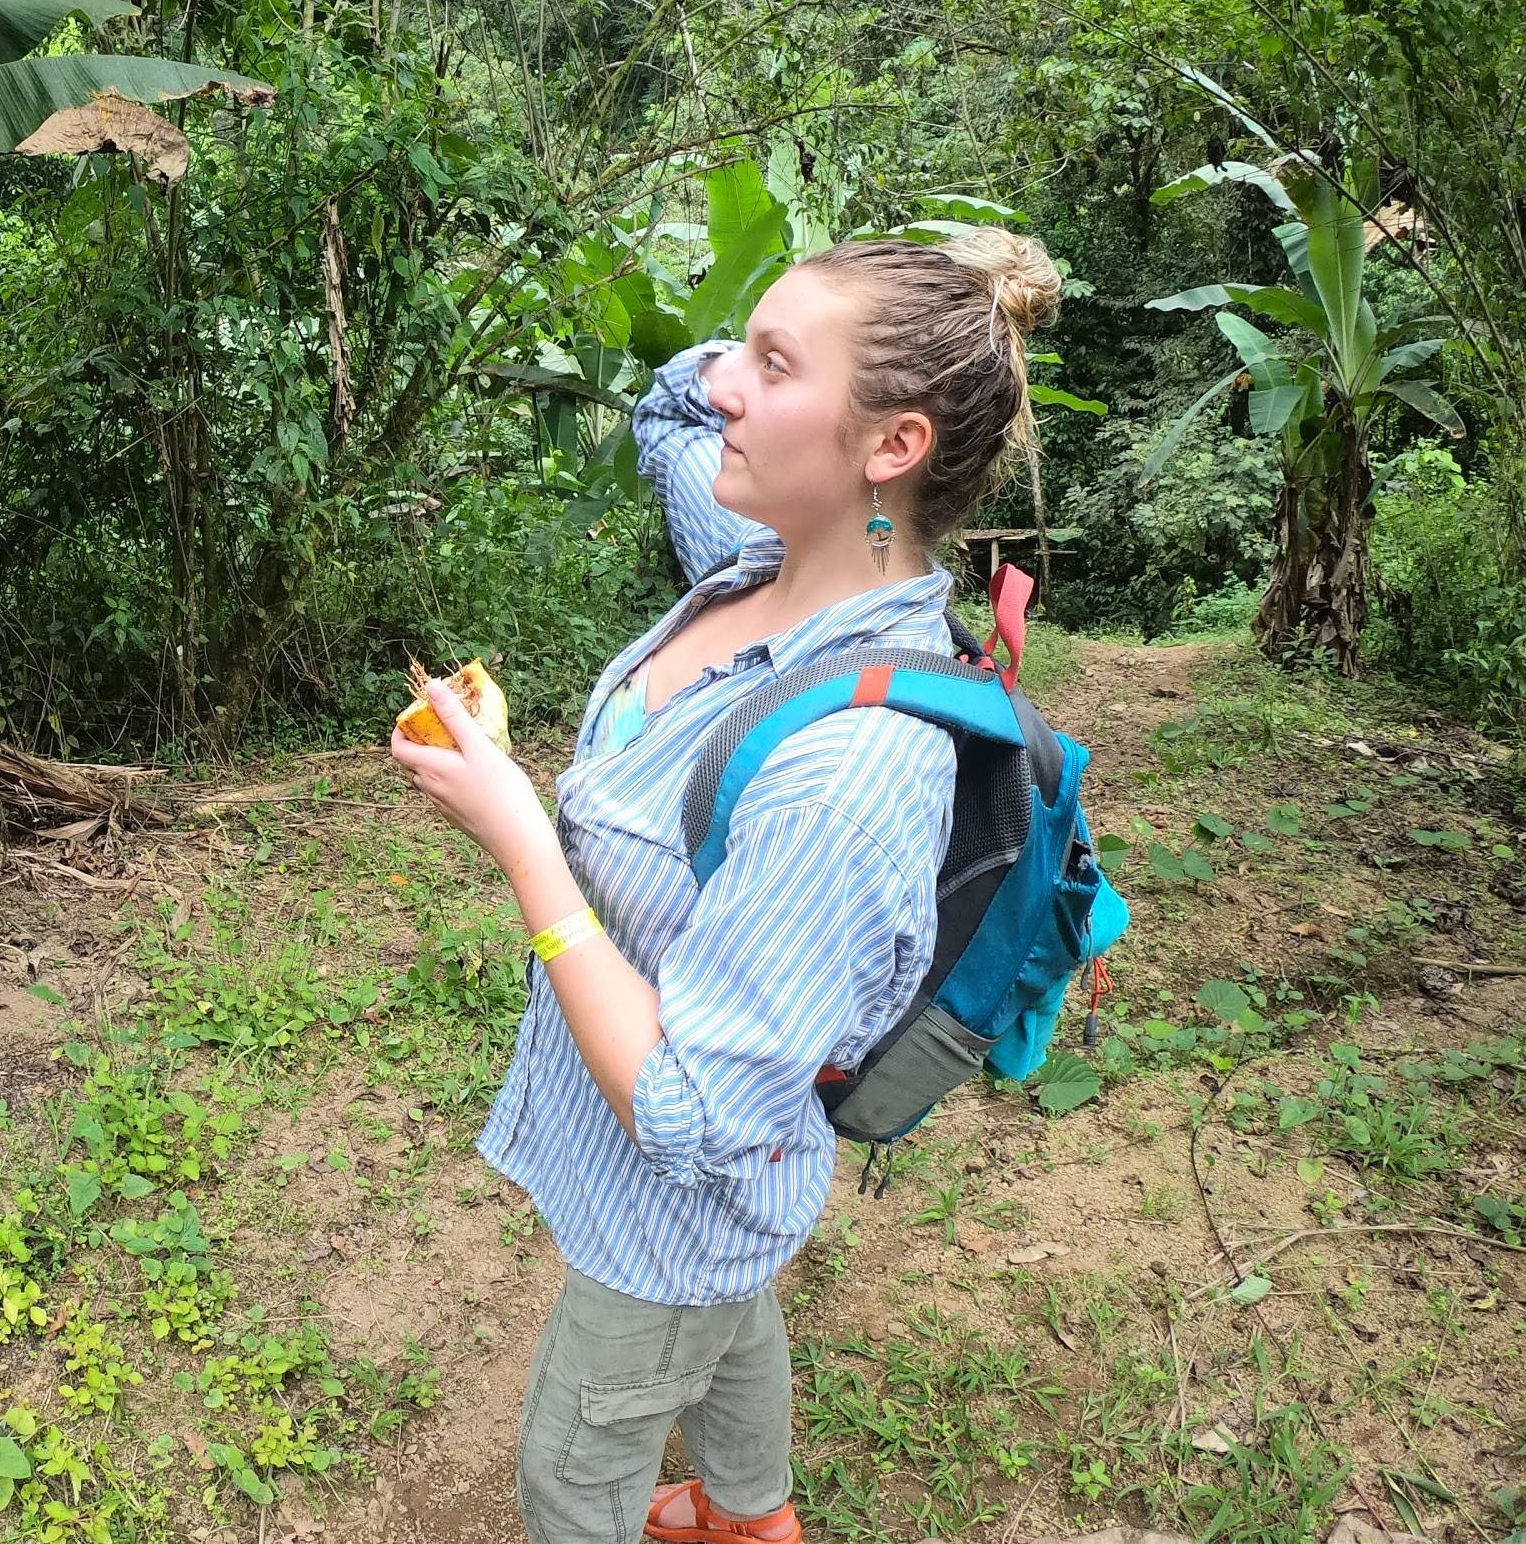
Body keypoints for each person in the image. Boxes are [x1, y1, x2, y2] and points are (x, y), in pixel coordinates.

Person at [390, 227, 1065, 1544]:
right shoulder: (759, 559)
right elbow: (662, 402)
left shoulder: (852, 773)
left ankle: (728, 1508)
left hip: (669, 1215)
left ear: (891, 448)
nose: (720, 392)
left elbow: (695, 1115)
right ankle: (753, 1516)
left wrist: (528, 845)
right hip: (723, 1211)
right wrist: (861, 309)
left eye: (771, 365)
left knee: (568, 1479)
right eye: (740, 351)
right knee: (736, 1295)